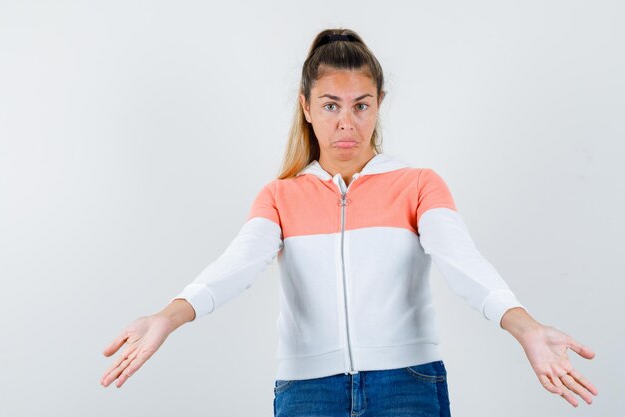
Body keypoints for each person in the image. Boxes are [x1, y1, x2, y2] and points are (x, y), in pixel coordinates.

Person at [100, 28, 598, 416]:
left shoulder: (418, 184)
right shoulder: (280, 196)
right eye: (331, 105)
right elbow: (236, 265)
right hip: (307, 392)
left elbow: (463, 262)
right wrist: (167, 316)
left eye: (361, 106)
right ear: (306, 108)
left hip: (407, 385)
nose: (346, 123)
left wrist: (526, 328)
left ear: (378, 104)